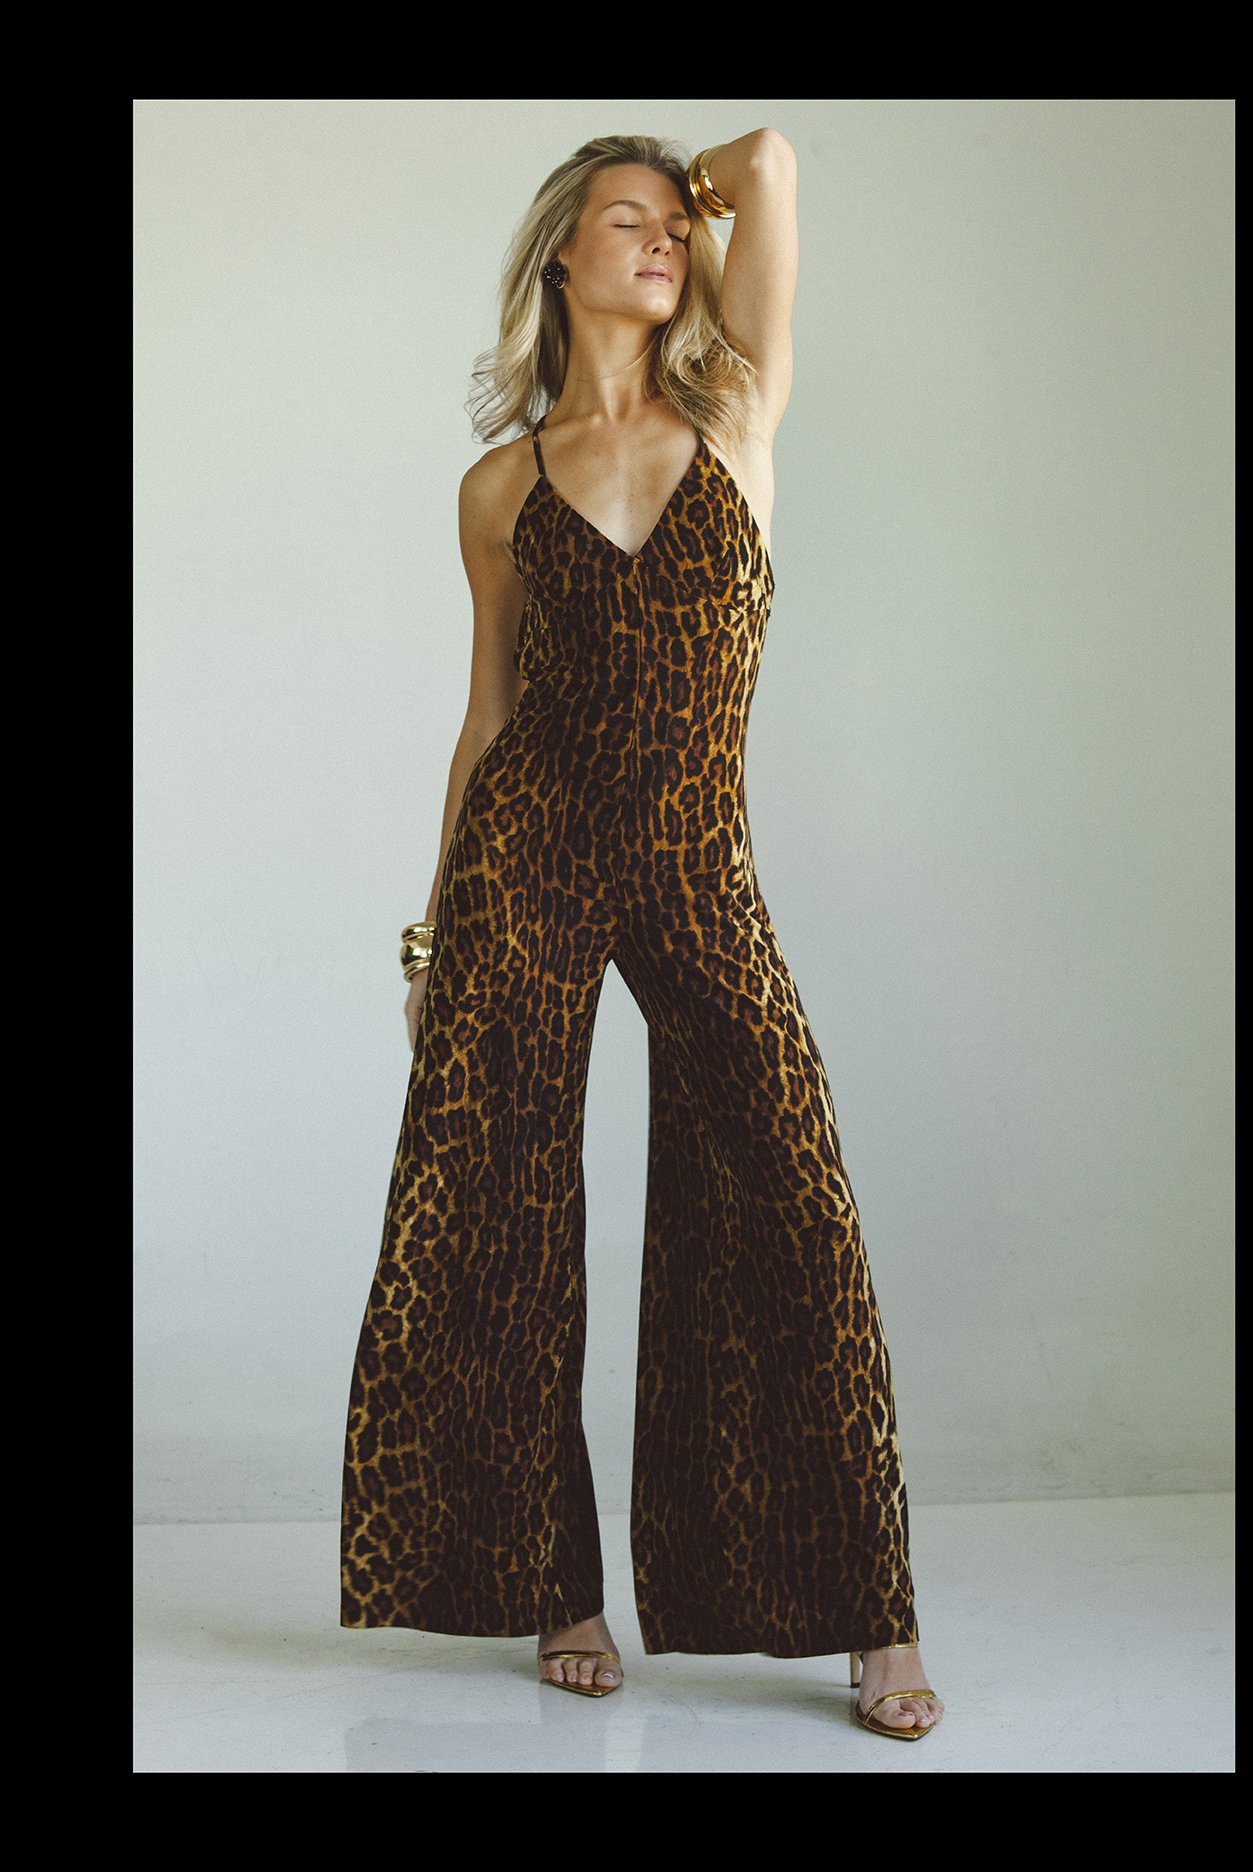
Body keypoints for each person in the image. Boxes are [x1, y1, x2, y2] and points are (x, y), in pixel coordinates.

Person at [340, 129, 946, 1741]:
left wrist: (697, 182)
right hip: (526, 862)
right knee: (506, 1221)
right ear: (563, 252)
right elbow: (487, 720)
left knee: (795, 1203)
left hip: (695, 865)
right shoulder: (499, 488)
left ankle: (872, 1614)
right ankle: (556, 1586)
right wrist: (433, 938)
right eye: (631, 222)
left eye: (679, 226)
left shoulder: (737, 412)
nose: (667, 242)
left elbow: (777, 157)